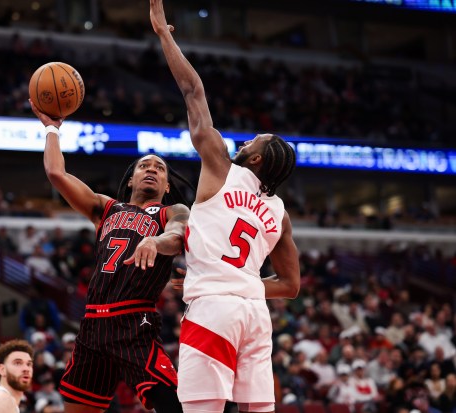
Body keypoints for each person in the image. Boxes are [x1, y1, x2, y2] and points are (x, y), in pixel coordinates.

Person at [148, 1, 300, 412]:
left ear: (254, 159)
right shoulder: (279, 212)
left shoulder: (219, 165)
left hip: (213, 309)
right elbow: (290, 285)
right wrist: (243, 283)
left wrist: (164, 35)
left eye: (254, 141)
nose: (247, 140)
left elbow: (193, 91)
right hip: (255, 316)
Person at [31, 99, 191, 413]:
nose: (152, 170)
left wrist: (155, 243)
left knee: (175, 404)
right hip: (92, 323)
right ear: (131, 179)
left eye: (159, 168)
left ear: (167, 184)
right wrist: (51, 129)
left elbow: (179, 236)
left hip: (136, 321)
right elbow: (55, 173)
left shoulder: (172, 210)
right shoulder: (105, 208)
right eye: (145, 165)